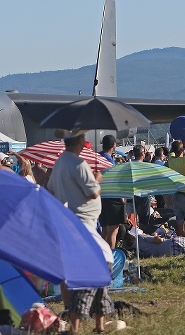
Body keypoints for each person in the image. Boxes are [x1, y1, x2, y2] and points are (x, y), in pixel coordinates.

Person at [46, 129, 113, 335]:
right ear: (81, 142)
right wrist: (97, 179)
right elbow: (93, 193)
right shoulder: (79, 164)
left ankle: (95, 323)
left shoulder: (59, 163)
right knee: (101, 264)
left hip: (70, 220)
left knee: (90, 268)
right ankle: (80, 323)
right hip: (83, 222)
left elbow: (50, 189)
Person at [98, 135, 126, 249]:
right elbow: (114, 181)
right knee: (113, 231)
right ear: (114, 145)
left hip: (101, 197)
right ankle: (111, 259)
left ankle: (101, 257)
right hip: (112, 197)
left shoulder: (98, 157)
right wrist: (122, 198)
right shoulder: (109, 162)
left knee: (104, 230)